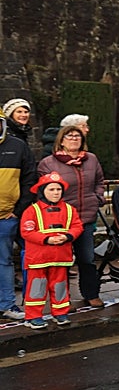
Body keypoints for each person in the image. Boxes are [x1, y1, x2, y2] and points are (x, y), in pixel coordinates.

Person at [38, 124, 106, 309]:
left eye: (77, 136)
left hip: (85, 217)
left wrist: (98, 197)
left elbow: (99, 181)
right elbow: (43, 191)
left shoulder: (91, 159)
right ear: (61, 140)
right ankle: (61, 299)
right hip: (60, 220)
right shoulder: (48, 163)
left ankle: (91, 294)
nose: (74, 139)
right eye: (69, 136)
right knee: (61, 262)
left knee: (87, 258)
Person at [19, 171, 82, 328]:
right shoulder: (32, 210)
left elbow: (77, 226)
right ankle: (33, 316)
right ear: (42, 191)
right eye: (51, 189)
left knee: (60, 286)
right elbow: (26, 232)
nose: (55, 193)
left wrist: (68, 237)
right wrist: (46, 239)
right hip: (38, 259)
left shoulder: (69, 209)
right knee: (37, 288)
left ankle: (60, 313)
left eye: (58, 189)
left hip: (60, 256)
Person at [1, 120, 38, 321]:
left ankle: (6, 304)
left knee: (4, 262)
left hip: (8, 216)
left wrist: (18, 210)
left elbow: (29, 179)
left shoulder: (17, 146)